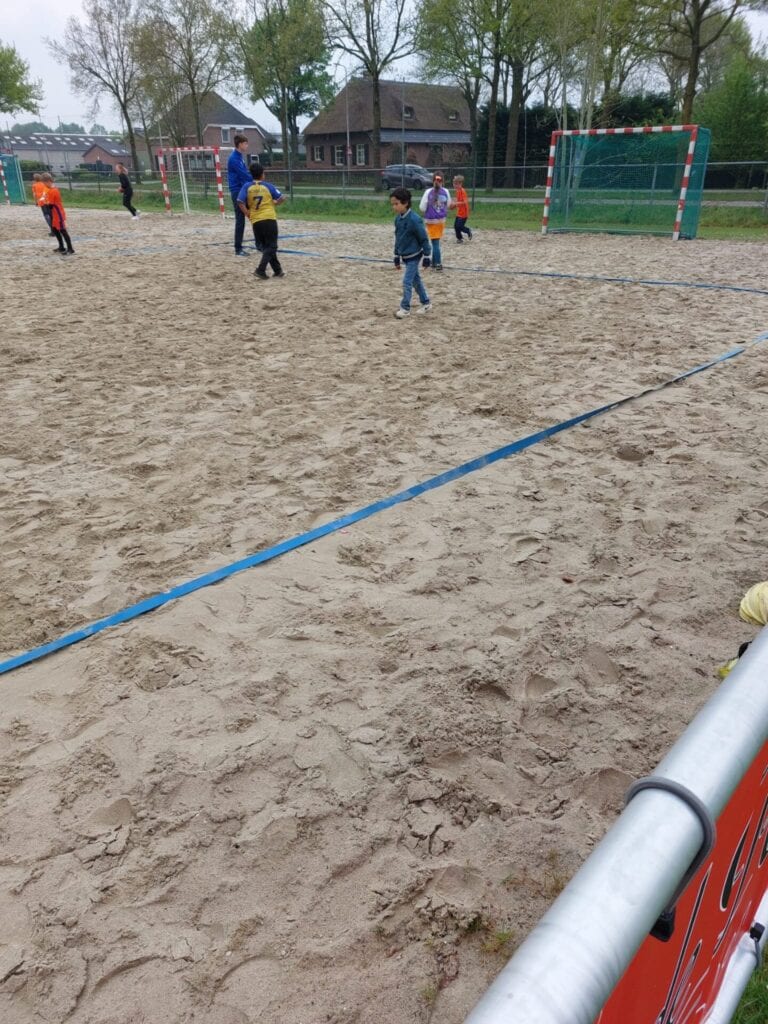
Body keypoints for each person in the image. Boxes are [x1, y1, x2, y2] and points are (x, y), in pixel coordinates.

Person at [237, 163, 285, 280]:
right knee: (272, 246)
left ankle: (278, 270)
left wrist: (247, 213)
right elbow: (282, 197)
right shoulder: (268, 186)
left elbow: (240, 201)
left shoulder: (247, 186)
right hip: (269, 218)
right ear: (262, 174)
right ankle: (260, 270)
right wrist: (275, 203)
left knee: (266, 247)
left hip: (256, 221)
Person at [390, 186, 431, 319]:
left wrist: (427, 256)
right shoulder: (398, 219)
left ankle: (405, 308)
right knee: (415, 281)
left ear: (406, 203)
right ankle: (426, 303)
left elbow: (423, 238)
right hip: (404, 256)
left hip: (414, 256)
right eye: (392, 204)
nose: (394, 207)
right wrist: (396, 255)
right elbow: (398, 238)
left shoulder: (415, 219)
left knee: (406, 281)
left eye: (396, 204)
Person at [227, 133, 253, 256]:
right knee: (240, 219)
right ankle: (238, 249)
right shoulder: (234, 158)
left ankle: (259, 244)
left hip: (243, 189)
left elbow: (245, 174)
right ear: (240, 144)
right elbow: (243, 174)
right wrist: (256, 179)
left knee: (254, 215)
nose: (247, 145)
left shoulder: (240, 157)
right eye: (246, 143)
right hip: (237, 191)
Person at [418, 172, 450, 271]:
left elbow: (422, 208)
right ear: (443, 181)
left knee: (435, 243)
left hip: (431, 221)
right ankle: (434, 261)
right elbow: (448, 204)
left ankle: (438, 263)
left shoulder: (428, 192)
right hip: (441, 220)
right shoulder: (446, 191)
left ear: (433, 181)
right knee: (436, 241)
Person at [40, 173, 75, 255]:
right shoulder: (50, 190)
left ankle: (70, 249)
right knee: (55, 230)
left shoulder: (53, 191)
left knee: (63, 230)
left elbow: (51, 205)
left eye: (44, 183)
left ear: (49, 181)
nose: (44, 185)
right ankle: (61, 247)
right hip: (54, 214)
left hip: (58, 214)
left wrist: (44, 203)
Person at [450, 174, 472, 243]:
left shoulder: (462, 191)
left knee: (459, 226)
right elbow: (457, 202)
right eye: (454, 184)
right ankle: (459, 238)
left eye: (456, 184)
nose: (455, 185)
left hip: (464, 213)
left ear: (460, 184)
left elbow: (464, 202)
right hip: (459, 212)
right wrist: (453, 206)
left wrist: (455, 203)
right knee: (456, 226)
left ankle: (468, 230)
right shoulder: (457, 191)